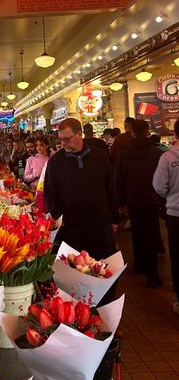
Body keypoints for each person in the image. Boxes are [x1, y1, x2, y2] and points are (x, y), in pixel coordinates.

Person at [44, 118, 118, 259]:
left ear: (79, 134)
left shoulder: (99, 156)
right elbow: (50, 193)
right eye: (60, 140)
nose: (63, 143)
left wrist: (114, 218)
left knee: (104, 266)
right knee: (75, 267)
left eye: (67, 139)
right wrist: (57, 216)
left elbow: (110, 188)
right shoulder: (55, 162)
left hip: (100, 223)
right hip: (71, 226)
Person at [115, 119, 163, 287]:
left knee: (137, 233)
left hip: (132, 198)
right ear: (148, 131)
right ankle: (152, 274)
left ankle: (140, 263)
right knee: (151, 233)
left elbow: (119, 178)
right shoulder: (156, 153)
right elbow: (162, 179)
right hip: (152, 199)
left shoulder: (125, 153)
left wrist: (120, 201)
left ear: (133, 133)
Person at [153, 119, 179, 315]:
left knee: (177, 257)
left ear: (174, 134)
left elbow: (159, 186)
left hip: (175, 213)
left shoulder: (168, 158)